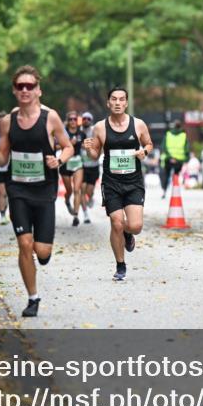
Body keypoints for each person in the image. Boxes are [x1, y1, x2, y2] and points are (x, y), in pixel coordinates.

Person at [0, 65, 74, 317]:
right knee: (25, 244)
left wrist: (59, 159)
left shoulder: (51, 117)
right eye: (20, 86)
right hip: (18, 189)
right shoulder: (7, 121)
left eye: (30, 86)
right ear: (14, 90)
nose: (25, 90)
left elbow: (68, 147)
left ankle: (42, 253)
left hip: (45, 189)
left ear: (38, 90)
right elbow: (2, 161)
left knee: (42, 251)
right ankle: (33, 298)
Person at [82, 86, 152, 282]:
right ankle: (120, 265)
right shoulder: (100, 127)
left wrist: (144, 152)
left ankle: (128, 234)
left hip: (133, 181)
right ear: (108, 103)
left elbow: (149, 143)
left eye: (122, 99)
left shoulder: (138, 125)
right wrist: (89, 150)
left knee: (135, 225)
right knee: (116, 222)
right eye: (114, 99)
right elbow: (95, 155)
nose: (118, 103)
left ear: (126, 103)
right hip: (111, 182)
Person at [58, 110, 86, 226]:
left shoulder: (81, 133)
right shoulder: (63, 133)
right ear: (67, 121)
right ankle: (67, 200)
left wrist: (87, 146)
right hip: (66, 163)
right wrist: (69, 143)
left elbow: (85, 145)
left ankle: (75, 215)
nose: (73, 121)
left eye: (75, 119)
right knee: (69, 190)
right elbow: (56, 145)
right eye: (71, 119)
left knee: (77, 190)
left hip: (78, 163)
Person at [159, 119, 189, 197]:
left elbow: (163, 147)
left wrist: (170, 157)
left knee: (166, 175)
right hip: (179, 160)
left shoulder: (168, 134)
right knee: (176, 175)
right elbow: (187, 148)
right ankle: (175, 192)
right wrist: (186, 159)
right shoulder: (183, 135)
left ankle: (164, 191)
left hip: (168, 160)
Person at [79, 111, 100, 223]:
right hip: (81, 166)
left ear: (91, 121)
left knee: (89, 191)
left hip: (93, 166)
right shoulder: (79, 132)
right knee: (82, 190)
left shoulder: (94, 131)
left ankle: (91, 197)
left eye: (88, 118)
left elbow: (99, 145)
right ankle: (86, 215)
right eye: (84, 118)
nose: (86, 120)